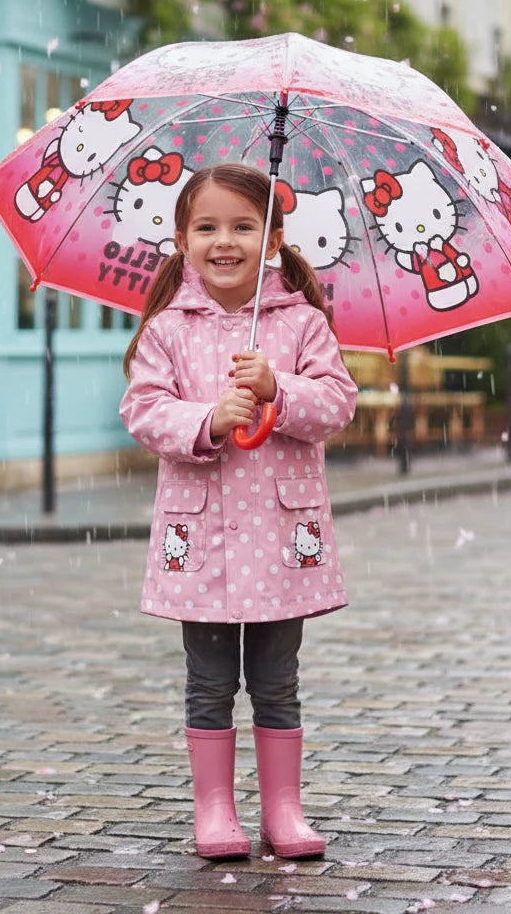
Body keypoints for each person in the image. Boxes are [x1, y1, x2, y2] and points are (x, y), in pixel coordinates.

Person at [119, 164, 358, 861]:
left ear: (274, 238)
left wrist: (278, 387)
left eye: (243, 227)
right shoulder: (169, 329)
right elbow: (143, 409)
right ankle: (215, 810)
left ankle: (284, 810)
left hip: (283, 537)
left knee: (278, 682)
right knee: (211, 680)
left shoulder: (303, 325)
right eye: (208, 227)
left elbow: (338, 404)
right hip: (205, 539)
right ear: (181, 239)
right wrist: (208, 419)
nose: (225, 241)